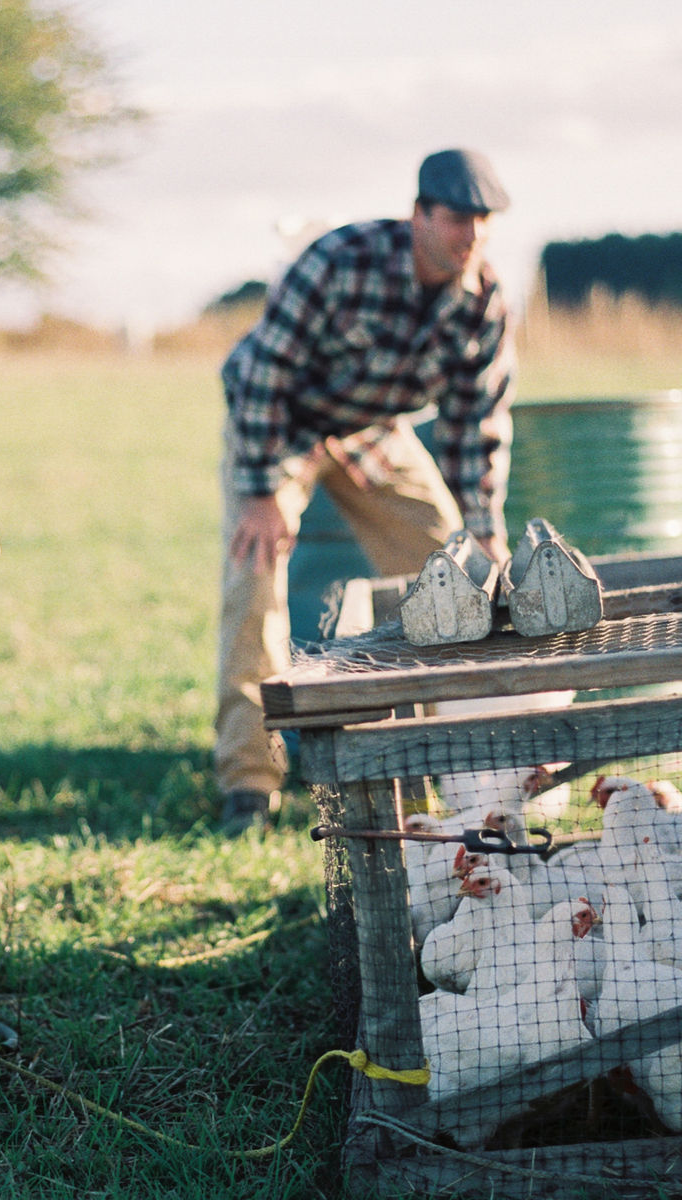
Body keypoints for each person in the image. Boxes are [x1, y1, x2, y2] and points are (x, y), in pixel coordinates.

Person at [214, 148, 517, 834]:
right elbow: (261, 373)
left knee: (454, 568)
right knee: (254, 579)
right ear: (419, 215)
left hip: (371, 430)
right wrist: (260, 494)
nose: (471, 234)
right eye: (457, 218)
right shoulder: (339, 260)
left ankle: (446, 761)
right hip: (281, 425)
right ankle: (250, 782)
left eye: (484, 220)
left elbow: (475, 422)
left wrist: (484, 527)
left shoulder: (483, 302)